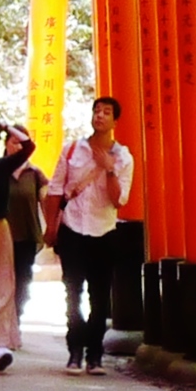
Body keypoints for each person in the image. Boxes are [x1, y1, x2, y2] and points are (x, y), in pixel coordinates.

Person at [51, 93, 135, 369]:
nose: (99, 115)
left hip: (104, 231)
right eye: (97, 110)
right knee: (71, 292)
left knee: (99, 296)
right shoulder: (72, 150)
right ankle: (75, 349)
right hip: (73, 228)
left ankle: (94, 354)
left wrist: (109, 170)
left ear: (115, 120)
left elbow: (118, 201)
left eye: (106, 112)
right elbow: (55, 190)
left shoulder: (123, 158)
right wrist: (51, 226)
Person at [0, 122, 44, 373]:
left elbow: (29, 146)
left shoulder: (0, 167)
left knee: (3, 286)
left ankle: (2, 346)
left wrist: (6, 126)